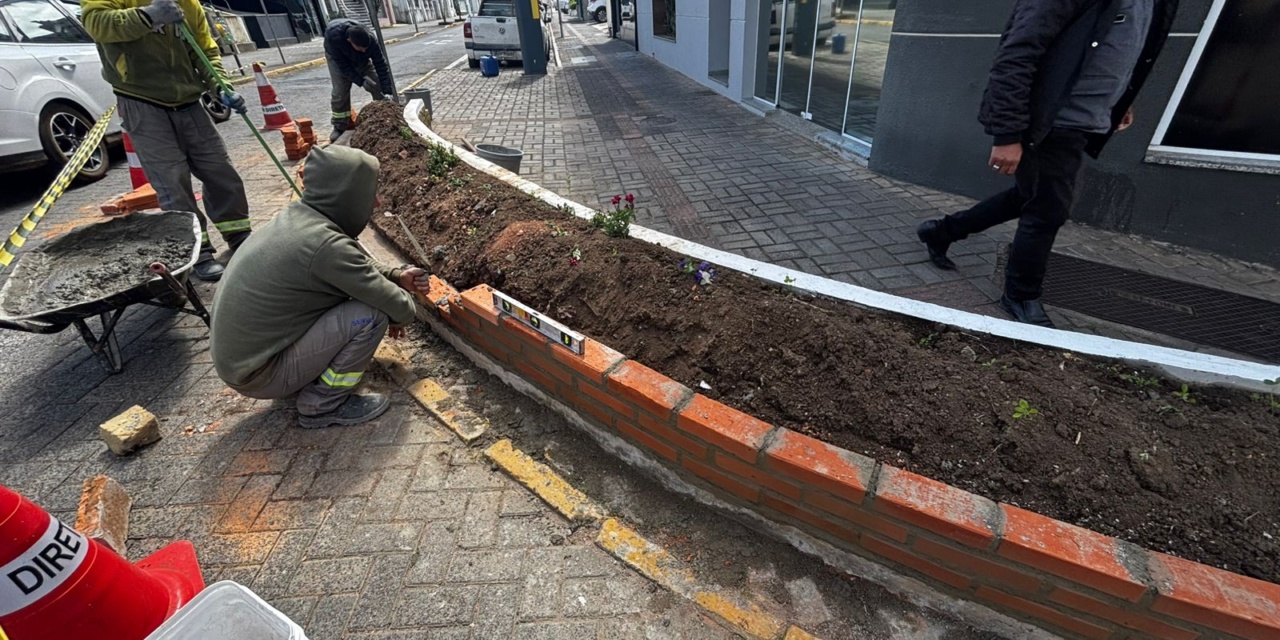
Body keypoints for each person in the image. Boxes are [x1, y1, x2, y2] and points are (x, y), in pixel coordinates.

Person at [916, 0, 1178, 327]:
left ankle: (940, 232)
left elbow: (1131, 48)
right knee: (1048, 210)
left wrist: (1119, 101)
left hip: (1084, 120)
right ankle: (1021, 295)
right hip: (1052, 122)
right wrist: (1007, 134)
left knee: (1031, 196)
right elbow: (1017, 52)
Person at [209, 146, 432, 428]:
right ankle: (322, 405)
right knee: (369, 316)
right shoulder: (325, 246)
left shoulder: (298, 221)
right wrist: (395, 310)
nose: (375, 203)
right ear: (347, 195)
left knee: (353, 300)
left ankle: (307, 377)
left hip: (244, 363)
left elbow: (349, 265)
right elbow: (400, 307)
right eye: (369, 193)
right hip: (260, 375)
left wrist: (396, 275)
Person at [82, 0, 252, 281]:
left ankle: (238, 233)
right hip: (141, 100)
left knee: (219, 168)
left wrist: (221, 86)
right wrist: (148, 16)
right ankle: (198, 252)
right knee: (171, 181)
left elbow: (204, 50)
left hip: (188, 100)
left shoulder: (188, 3)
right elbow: (97, 24)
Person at [324, 19, 395, 142]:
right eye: (361, 48)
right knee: (340, 91)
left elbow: (381, 66)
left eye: (366, 49)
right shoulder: (334, 38)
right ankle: (339, 126)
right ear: (350, 41)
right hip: (338, 60)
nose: (364, 51)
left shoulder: (370, 41)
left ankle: (384, 118)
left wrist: (387, 90)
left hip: (361, 60)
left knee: (376, 83)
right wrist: (361, 81)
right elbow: (344, 68)